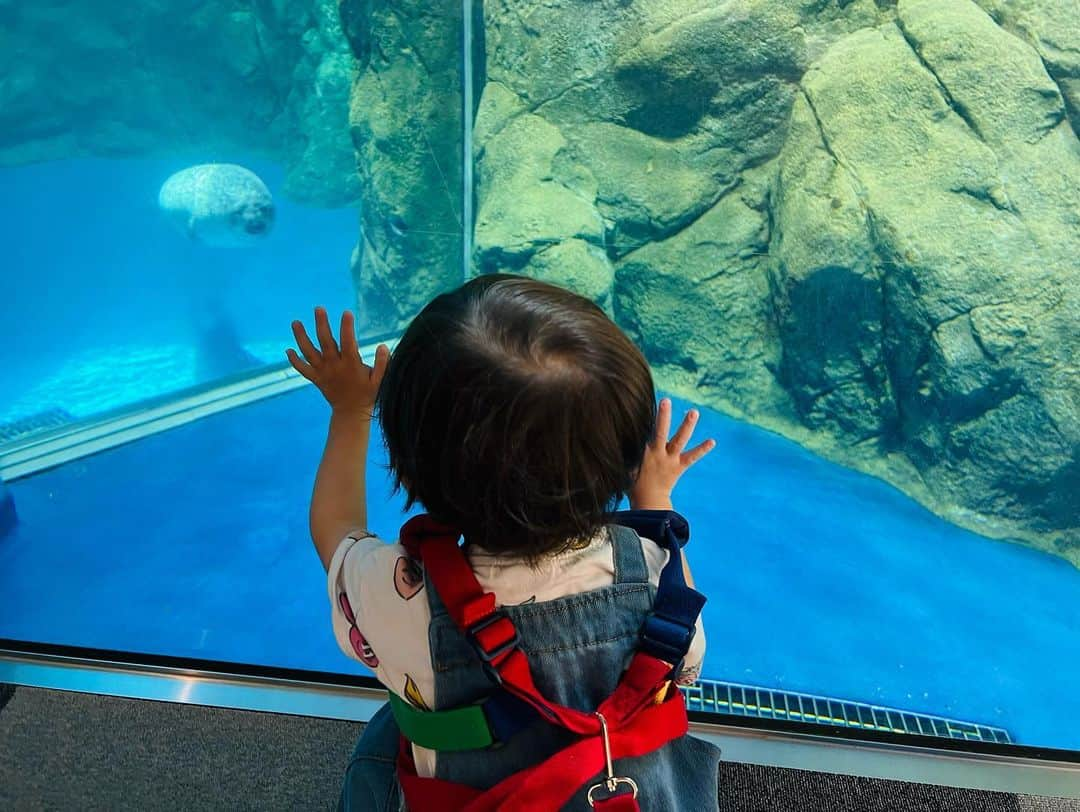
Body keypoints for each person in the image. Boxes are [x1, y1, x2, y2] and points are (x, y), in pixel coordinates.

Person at [287, 274, 721, 810]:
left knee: (385, 735)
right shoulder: (656, 573)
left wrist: (350, 411)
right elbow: (686, 652)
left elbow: (336, 533)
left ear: (411, 460)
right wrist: (653, 495)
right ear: (622, 459)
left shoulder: (404, 601)